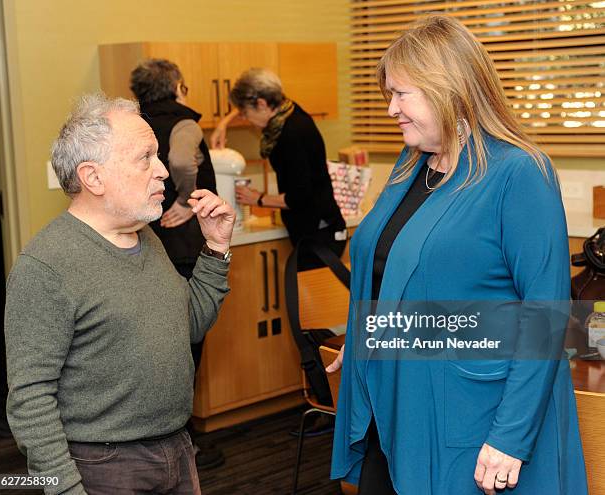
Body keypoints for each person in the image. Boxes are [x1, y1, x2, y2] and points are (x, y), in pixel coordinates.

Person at [326, 15, 588, 495]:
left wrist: (511, 438)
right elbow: (395, 272)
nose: (391, 109)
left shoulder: (518, 172)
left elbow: (547, 316)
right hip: (394, 405)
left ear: (449, 89)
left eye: (402, 94)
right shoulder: (411, 165)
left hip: (477, 423)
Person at [4, 94, 235, 495]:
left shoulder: (146, 238)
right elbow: (30, 400)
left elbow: (189, 325)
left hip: (177, 448)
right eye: (145, 158)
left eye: (158, 156)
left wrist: (215, 248)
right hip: (101, 467)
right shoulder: (45, 267)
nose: (163, 170)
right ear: (93, 177)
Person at [130, 58, 224, 469]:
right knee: (189, 339)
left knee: (156, 342)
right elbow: (185, 163)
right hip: (184, 245)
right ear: (179, 87)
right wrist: (187, 200)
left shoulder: (137, 127)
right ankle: (184, 445)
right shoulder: (185, 122)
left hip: (148, 244)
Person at [210, 68, 347, 270]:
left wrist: (257, 199)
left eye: (246, 113)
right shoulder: (288, 110)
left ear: (262, 104)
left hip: (321, 235)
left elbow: (300, 197)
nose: (245, 119)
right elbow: (251, 101)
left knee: (310, 299)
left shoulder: (291, 136)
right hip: (318, 230)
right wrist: (224, 123)